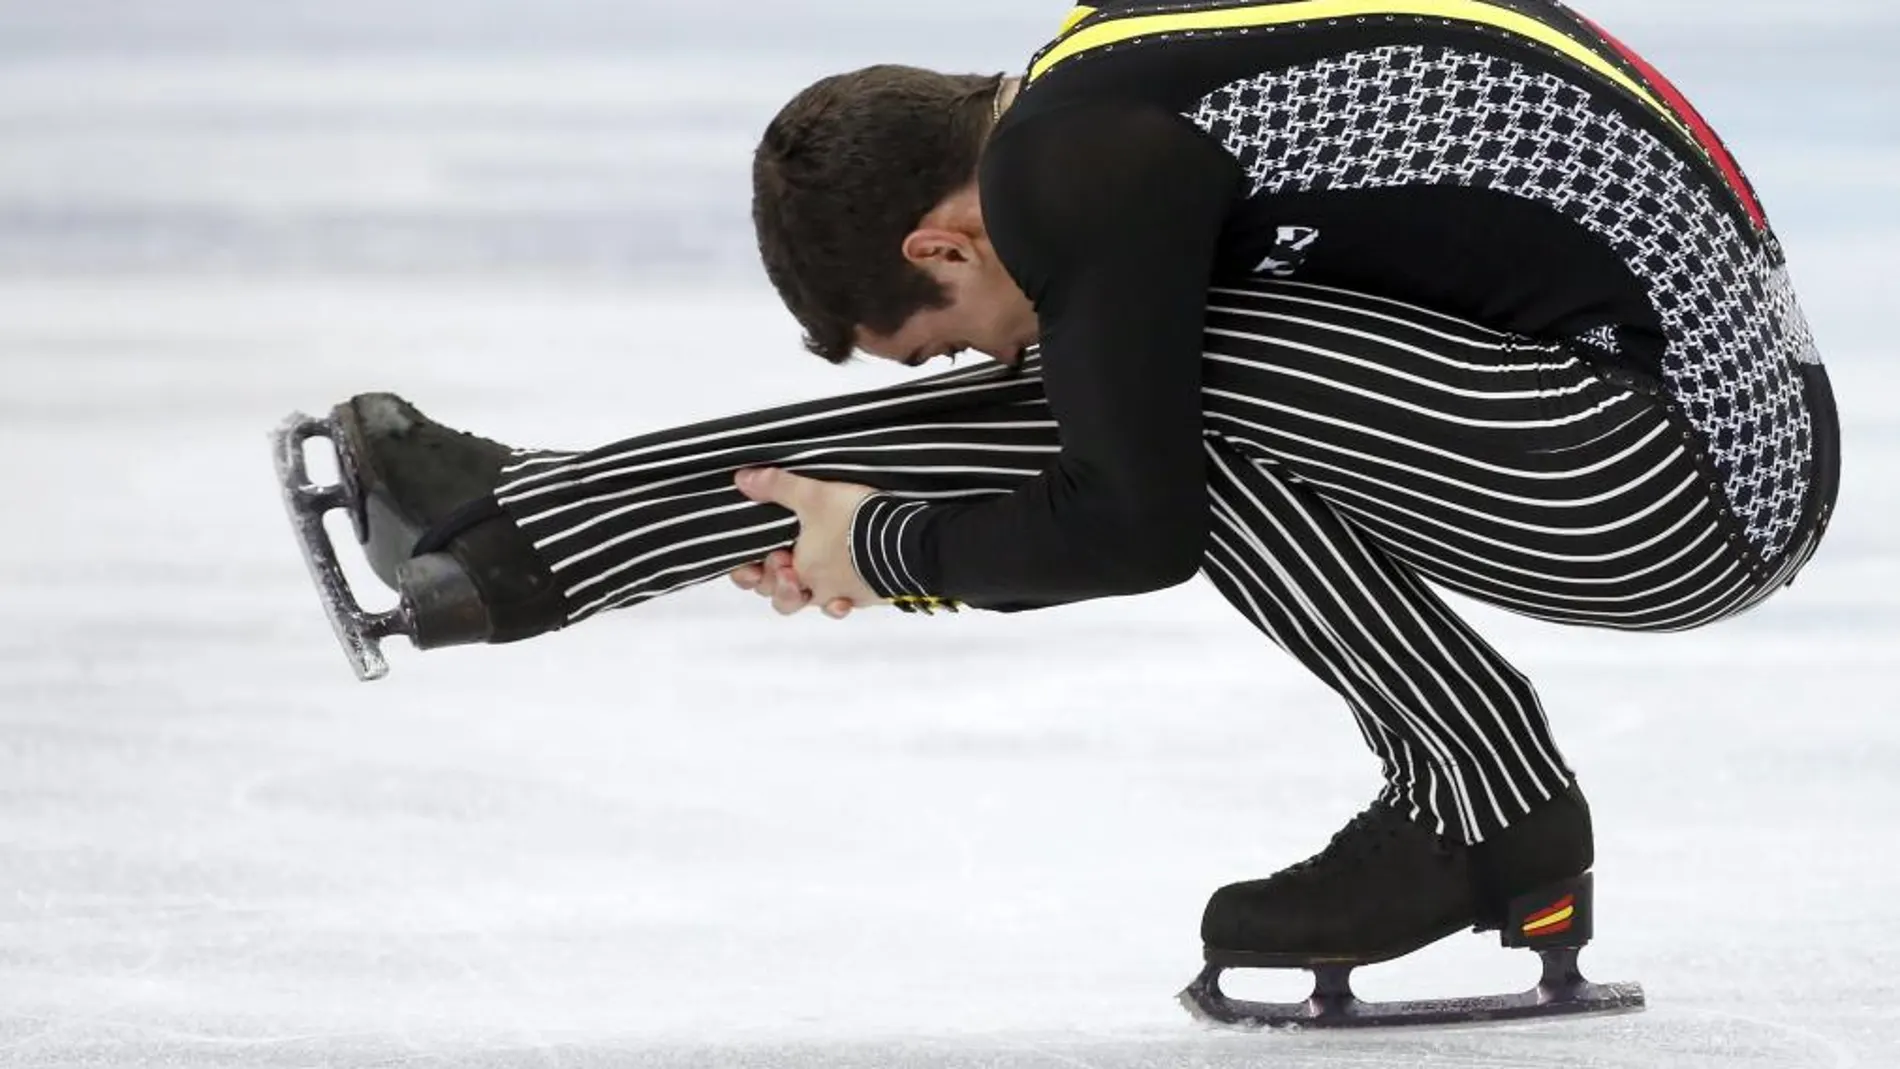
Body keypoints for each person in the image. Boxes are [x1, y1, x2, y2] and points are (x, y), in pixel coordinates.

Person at [297, 0, 1839, 999]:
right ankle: (1486, 804)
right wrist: (870, 528)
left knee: (1162, 378)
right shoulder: (1103, 93)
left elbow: (1132, 524)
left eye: (944, 348)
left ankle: (552, 525)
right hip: (1672, 433)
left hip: (1678, 470)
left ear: (939, 244)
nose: (980, 360)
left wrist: (882, 541)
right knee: (1154, 374)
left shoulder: (1080, 163)